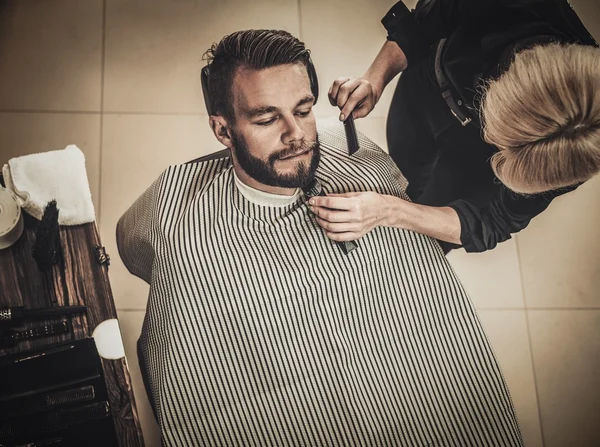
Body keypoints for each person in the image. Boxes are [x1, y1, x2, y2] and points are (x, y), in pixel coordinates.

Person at [117, 29, 524, 446]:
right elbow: (134, 251)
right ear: (223, 131)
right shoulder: (174, 205)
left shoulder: (352, 155)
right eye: (266, 118)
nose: (297, 135)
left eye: (304, 109)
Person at [310, 0, 600, 253]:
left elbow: (492, 221)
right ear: (499, 87)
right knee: (403, 165)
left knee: (421, 242)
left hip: (470, 170)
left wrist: (390, 210)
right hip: (429, 90)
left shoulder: (573, 152)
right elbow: (420, 26)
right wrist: (374, 79)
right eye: (496, 137)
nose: (488, 140)